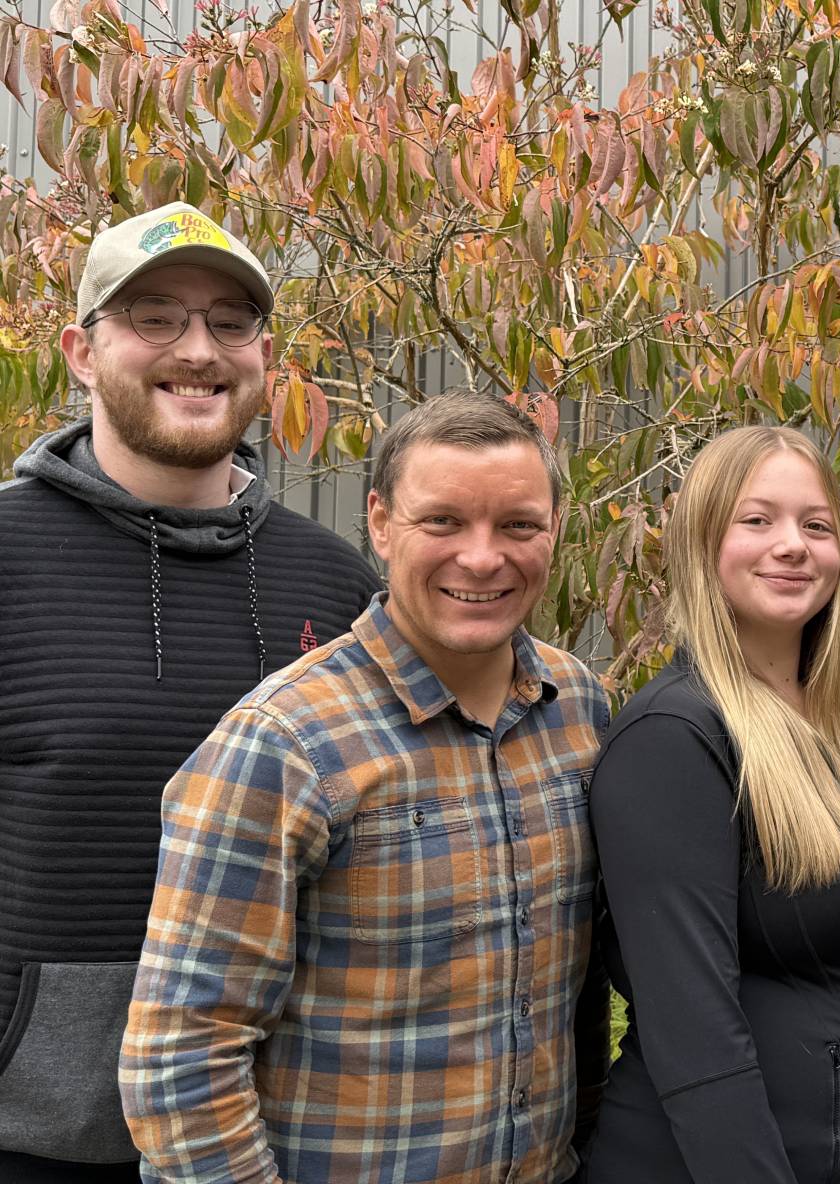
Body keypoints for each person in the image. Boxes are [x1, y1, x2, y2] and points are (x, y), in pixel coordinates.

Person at [119, 392, 609, 1182]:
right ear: (380, 523)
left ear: (555, 528)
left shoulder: (577, 707)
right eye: (442, 521)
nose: (482, 558)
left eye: (518, 525)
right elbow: (182, 1054)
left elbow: (580, 990)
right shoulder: (283, 743)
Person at [0, 202, 381, 1182]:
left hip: (280, 1129)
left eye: (230, 321)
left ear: (265, 358)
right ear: (82, 353)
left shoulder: (336, 585)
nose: (199, 350)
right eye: (156, 317)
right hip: (41, 1138)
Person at [586, 425, 840, 1183]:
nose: (792, 546)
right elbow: (695, 1038)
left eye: (817, 525)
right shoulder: (675, 738)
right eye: (756, 520)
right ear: (701, 544)